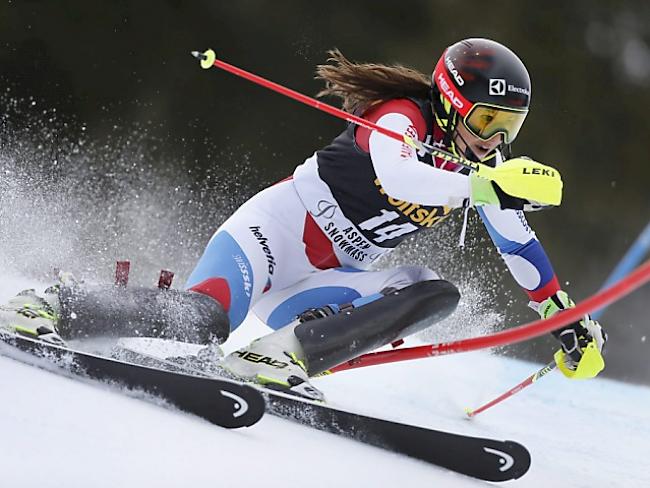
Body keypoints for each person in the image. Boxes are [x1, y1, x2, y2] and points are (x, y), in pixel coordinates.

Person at [0, 38, 606, 400]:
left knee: (431, 291)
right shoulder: (402, 117)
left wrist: (563, 316)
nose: (492, 141)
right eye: (485, 123)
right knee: (204, 319)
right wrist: (482, 182)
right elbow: (396, 174)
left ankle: (279, 353)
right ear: (449, 104)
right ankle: (53, 303)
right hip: (272, 235)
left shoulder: (483, 167)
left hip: (327, 280)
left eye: (508, 130)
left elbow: (517, 243)